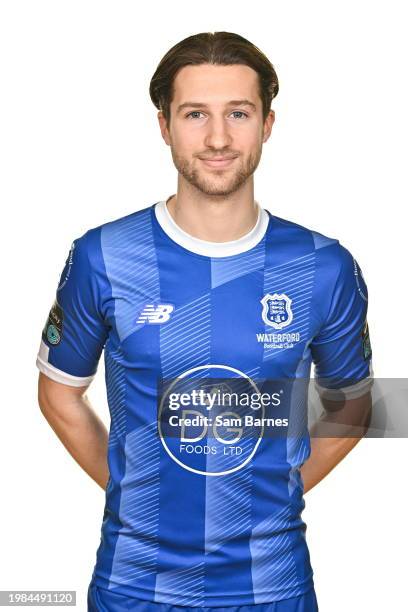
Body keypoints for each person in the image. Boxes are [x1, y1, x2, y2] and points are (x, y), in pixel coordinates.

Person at [36, 31, 373, 612]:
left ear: (267, 123)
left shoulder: (322, 265)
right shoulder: (103, 256)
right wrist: (136, 495)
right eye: (195, 114)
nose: (218, 138)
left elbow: (356, 405)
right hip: (135, 586)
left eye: (238, 113)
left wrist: (268, 498)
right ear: (164, 125)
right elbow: (58, 396)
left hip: (273, 588)